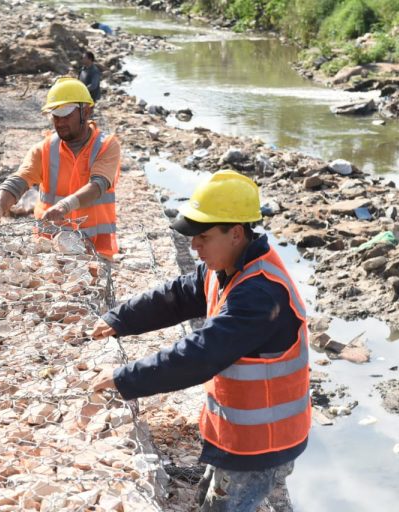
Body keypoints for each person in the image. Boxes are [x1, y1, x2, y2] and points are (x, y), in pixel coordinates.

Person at [89, 170, 310, 511]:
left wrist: (125, 379)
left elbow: (199, 355)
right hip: (238, 434)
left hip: (262, 445)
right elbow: (178, 295)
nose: (194, 246)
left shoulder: (261, 293)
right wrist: (120, 319)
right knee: (217, 494)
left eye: (202, 237)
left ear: (236, 233)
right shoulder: (226, 267)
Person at [0, 77, 121, 258]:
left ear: (87, 111)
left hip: (95, 248)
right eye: (56, 116)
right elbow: (17, 182)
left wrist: (64, 205)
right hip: (50, 248)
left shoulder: (106, 146)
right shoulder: (45, 149)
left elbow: (98, 185)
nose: (60, 122)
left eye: (67, 115)